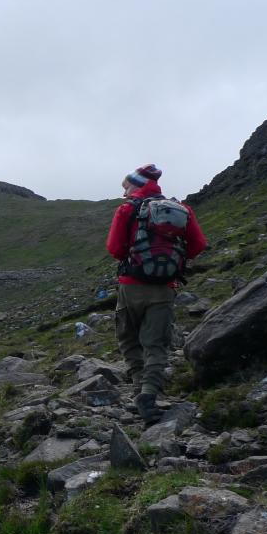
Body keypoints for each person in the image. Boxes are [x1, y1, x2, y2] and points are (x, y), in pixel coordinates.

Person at [106, 164, 207, 421]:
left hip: (131, 285)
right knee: (156, 344)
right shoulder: (181, 209)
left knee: (129, 339)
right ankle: (148, 395)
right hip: (164, 287)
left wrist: (137, 260)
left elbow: (115, 249)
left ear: (137, 185)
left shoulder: (127, 209)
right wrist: (173, 263)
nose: (124, 192)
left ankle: (139, 387)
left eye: (127, 186)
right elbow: (198, 244)